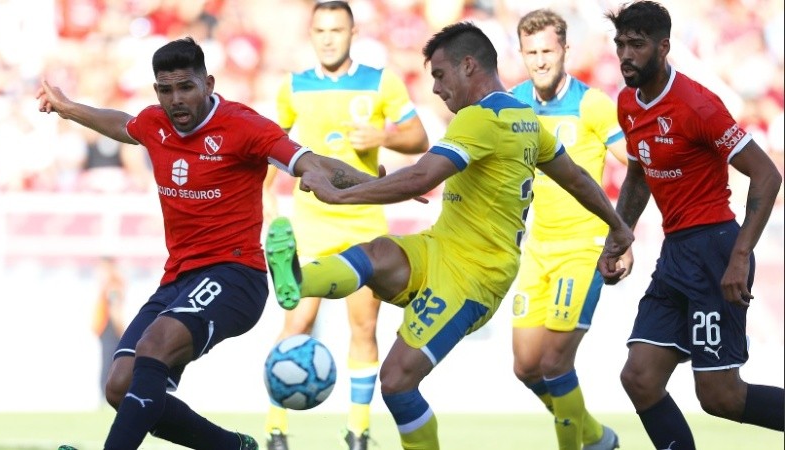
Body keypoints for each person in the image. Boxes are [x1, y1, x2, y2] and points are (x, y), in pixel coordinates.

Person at [264, 22, 634, 450]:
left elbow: (422, 176)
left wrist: (340, 196)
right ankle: (296, 281)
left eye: (440, 75)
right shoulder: (522, 117)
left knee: (397, 382)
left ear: (469, 65)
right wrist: (619, 225)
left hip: (472, 278)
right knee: (378, 252)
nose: (437, 89)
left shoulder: (482, 118)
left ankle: (300, 282)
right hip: (442, 246)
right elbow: (575, 176)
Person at [38, 36, 379, 450]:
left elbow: (310, 161)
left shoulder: (243, 126)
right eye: (166, 90)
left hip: (236, 275)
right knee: (120, 386)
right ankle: (232, 447)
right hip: (178, 278)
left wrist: (384, 184)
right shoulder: (155, 123)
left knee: (153, 346)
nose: (176, 100)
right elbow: (121, 124)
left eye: (186, 87)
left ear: (209, 84)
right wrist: (67, 107)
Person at [600, 2, 785, 449]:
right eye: (620, 44)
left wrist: (740, 256)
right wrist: (619, 236)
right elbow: (639, 175)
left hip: (715, 250)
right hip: (675, 253)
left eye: (637, 45)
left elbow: (767, 174)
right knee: (640, 378)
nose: (626, 54)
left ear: (664, 47)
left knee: (720, 396)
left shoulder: (697, 105)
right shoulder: (628, 103)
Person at [262, 2, 428, 449]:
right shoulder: (293, 88)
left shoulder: (380, 82)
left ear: (353, 31)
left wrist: (384, 136)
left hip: (363, 221)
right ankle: (276, 430)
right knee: (297, 321)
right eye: (320, 30)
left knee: (363, 328)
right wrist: (265, 202)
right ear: (311, 34)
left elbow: (419, 139)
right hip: (312, 220)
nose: (328, 38)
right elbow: (272, 149)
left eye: (337, 29)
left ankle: (358, 430)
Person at [507, 9, 629, 450]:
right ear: (520, 53)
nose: (540, 61)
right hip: (536, 250)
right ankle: (596, 437)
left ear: (564, 51)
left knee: (556, 363)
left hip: (584, 249)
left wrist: (623, 233)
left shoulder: (592, 104)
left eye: (547, 51)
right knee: (526, 367)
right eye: (531, 52)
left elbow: (635, 168)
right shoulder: (512, 105)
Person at [92, 256, 127, 403]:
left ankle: (107, 396)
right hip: (106, 328)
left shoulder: (113, 285)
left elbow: (115, 308)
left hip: (110, 328)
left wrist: (121, 330)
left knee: (110, 363)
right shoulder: (109, 285)